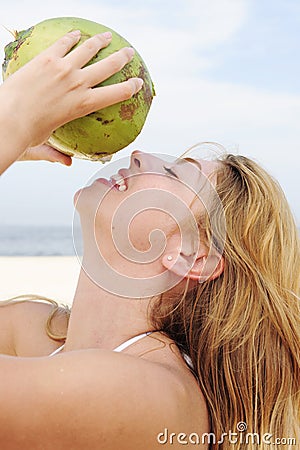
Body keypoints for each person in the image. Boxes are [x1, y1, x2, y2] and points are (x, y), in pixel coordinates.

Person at [0, 30, 299, 450]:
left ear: (193, 255)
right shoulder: (36, 331)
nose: (140, 155)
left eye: (175, 174)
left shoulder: (147, 394)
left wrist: (10, 125)